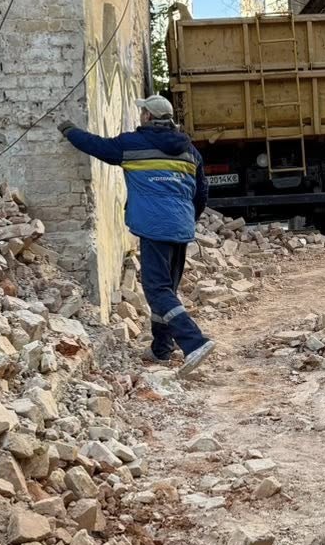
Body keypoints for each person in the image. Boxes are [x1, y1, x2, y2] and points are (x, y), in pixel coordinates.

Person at [58, 95, 215, 374]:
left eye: (143, 112)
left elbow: (97, 146)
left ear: (148, 117)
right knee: (166, 290)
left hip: (154, 227)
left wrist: (70, 131)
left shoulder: (133, 144)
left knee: (157, 290)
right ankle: (161, 348)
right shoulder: (190, 151)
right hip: (180, 227)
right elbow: (201, 192)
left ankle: (194, 342)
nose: (141, 116)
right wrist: (186, 220)